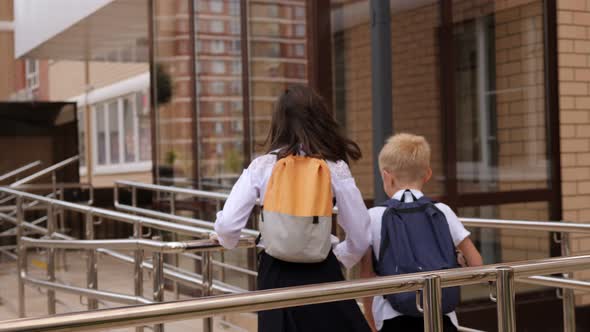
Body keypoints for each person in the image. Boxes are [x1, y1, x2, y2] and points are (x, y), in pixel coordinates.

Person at [213, 84, 372, 332]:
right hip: (322, 270)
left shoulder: (262, 166)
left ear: (278, 123)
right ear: (319, 119)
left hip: (275, 272)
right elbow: (361, 235)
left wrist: (227, 241)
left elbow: (227, 226)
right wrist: (340, 256)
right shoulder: (333, 166)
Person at [361, 133, 483, 332]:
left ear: (386, 176)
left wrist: (371, 322)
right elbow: (476, 262)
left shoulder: (374, 216)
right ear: (428, 174)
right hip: (442, 317)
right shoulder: (442, 210)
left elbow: (367, 275)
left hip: (392, 318)